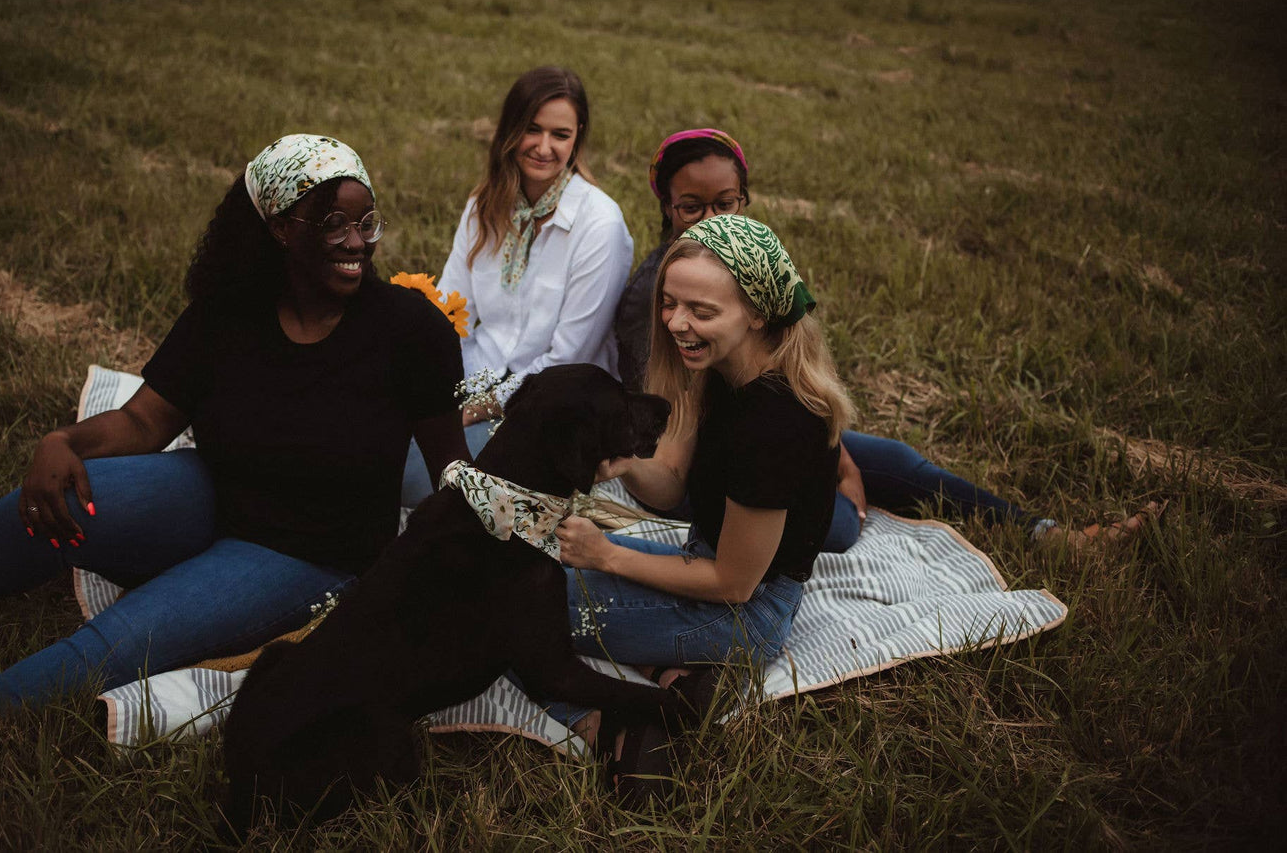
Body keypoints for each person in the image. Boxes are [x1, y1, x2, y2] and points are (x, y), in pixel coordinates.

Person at [0, 134, 468, 792]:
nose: (357, 241)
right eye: (334, 222)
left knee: (115, 643)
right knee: (48, 506)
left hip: (305, 551)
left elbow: (451, 471)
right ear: (281, 228)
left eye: (366, 221)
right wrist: (65, 441)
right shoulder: (230, 311)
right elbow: (145, 421)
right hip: (211, 488)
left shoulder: (410, 330)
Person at [612, 128, 1149, 554]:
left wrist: (838, 457)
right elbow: (675, 424)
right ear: (668, 207)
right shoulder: (660, 297)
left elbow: (784, 383)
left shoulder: (751, 270)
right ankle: (839, 508)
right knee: (841, 523)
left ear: (744, 201)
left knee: (893, 459)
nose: (712, 219)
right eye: (692, 207)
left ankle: (1046, 534)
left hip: (760, 424)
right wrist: (827, 468)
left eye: (726, 204)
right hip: (707, 455)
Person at [554, 213, 849, 794]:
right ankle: (674, 677)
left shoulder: (775, 423)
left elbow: (735, 582)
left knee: (508, 603)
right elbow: (669, 487)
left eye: (703, 312)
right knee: (526, 563)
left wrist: (607, 556)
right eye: (670, 303)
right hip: (705, 567)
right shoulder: (721, 372)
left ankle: (607, 725)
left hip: (742, 613)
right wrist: (625, 458)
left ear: (758, 313)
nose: (677, 323)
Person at [400, 66, 632, 506]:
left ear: (577, 137)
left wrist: (469, 413)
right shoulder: (483, 204)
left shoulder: (600, 225)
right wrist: (430, 388)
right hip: (476, 378)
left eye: (560, 135)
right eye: (531, 129)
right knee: (380, 438)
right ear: (510, 130)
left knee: (421, 475)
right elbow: (449, 312)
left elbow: (568, 358)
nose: (544, 147)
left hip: (552, 405)